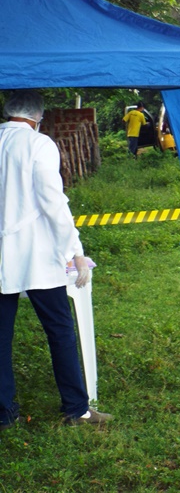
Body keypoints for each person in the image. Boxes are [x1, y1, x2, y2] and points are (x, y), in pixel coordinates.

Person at [0, 91, 112, 429]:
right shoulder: (39, 144)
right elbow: (53, 202)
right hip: (36, 257)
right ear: (38, 117)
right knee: (60, 330)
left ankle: (5, 412)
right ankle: (76, 409)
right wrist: (75, 251)